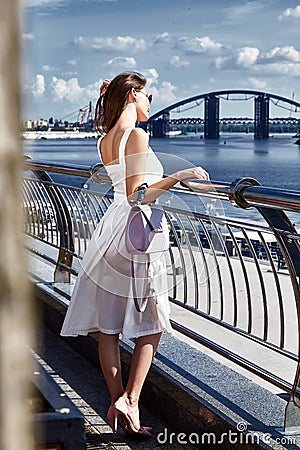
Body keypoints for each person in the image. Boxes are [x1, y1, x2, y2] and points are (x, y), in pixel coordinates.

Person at [60, 72, 209, 437]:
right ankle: (131, 399)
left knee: (109, 328)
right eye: (148, 96)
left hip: (110, 233)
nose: (149, 103)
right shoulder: (137, 135)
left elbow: (120, 191)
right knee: (154, 320)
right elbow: (136, 195)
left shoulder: (105, 140)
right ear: (131, 95)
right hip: (137, 235)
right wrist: (179, 176)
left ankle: (121, 408)